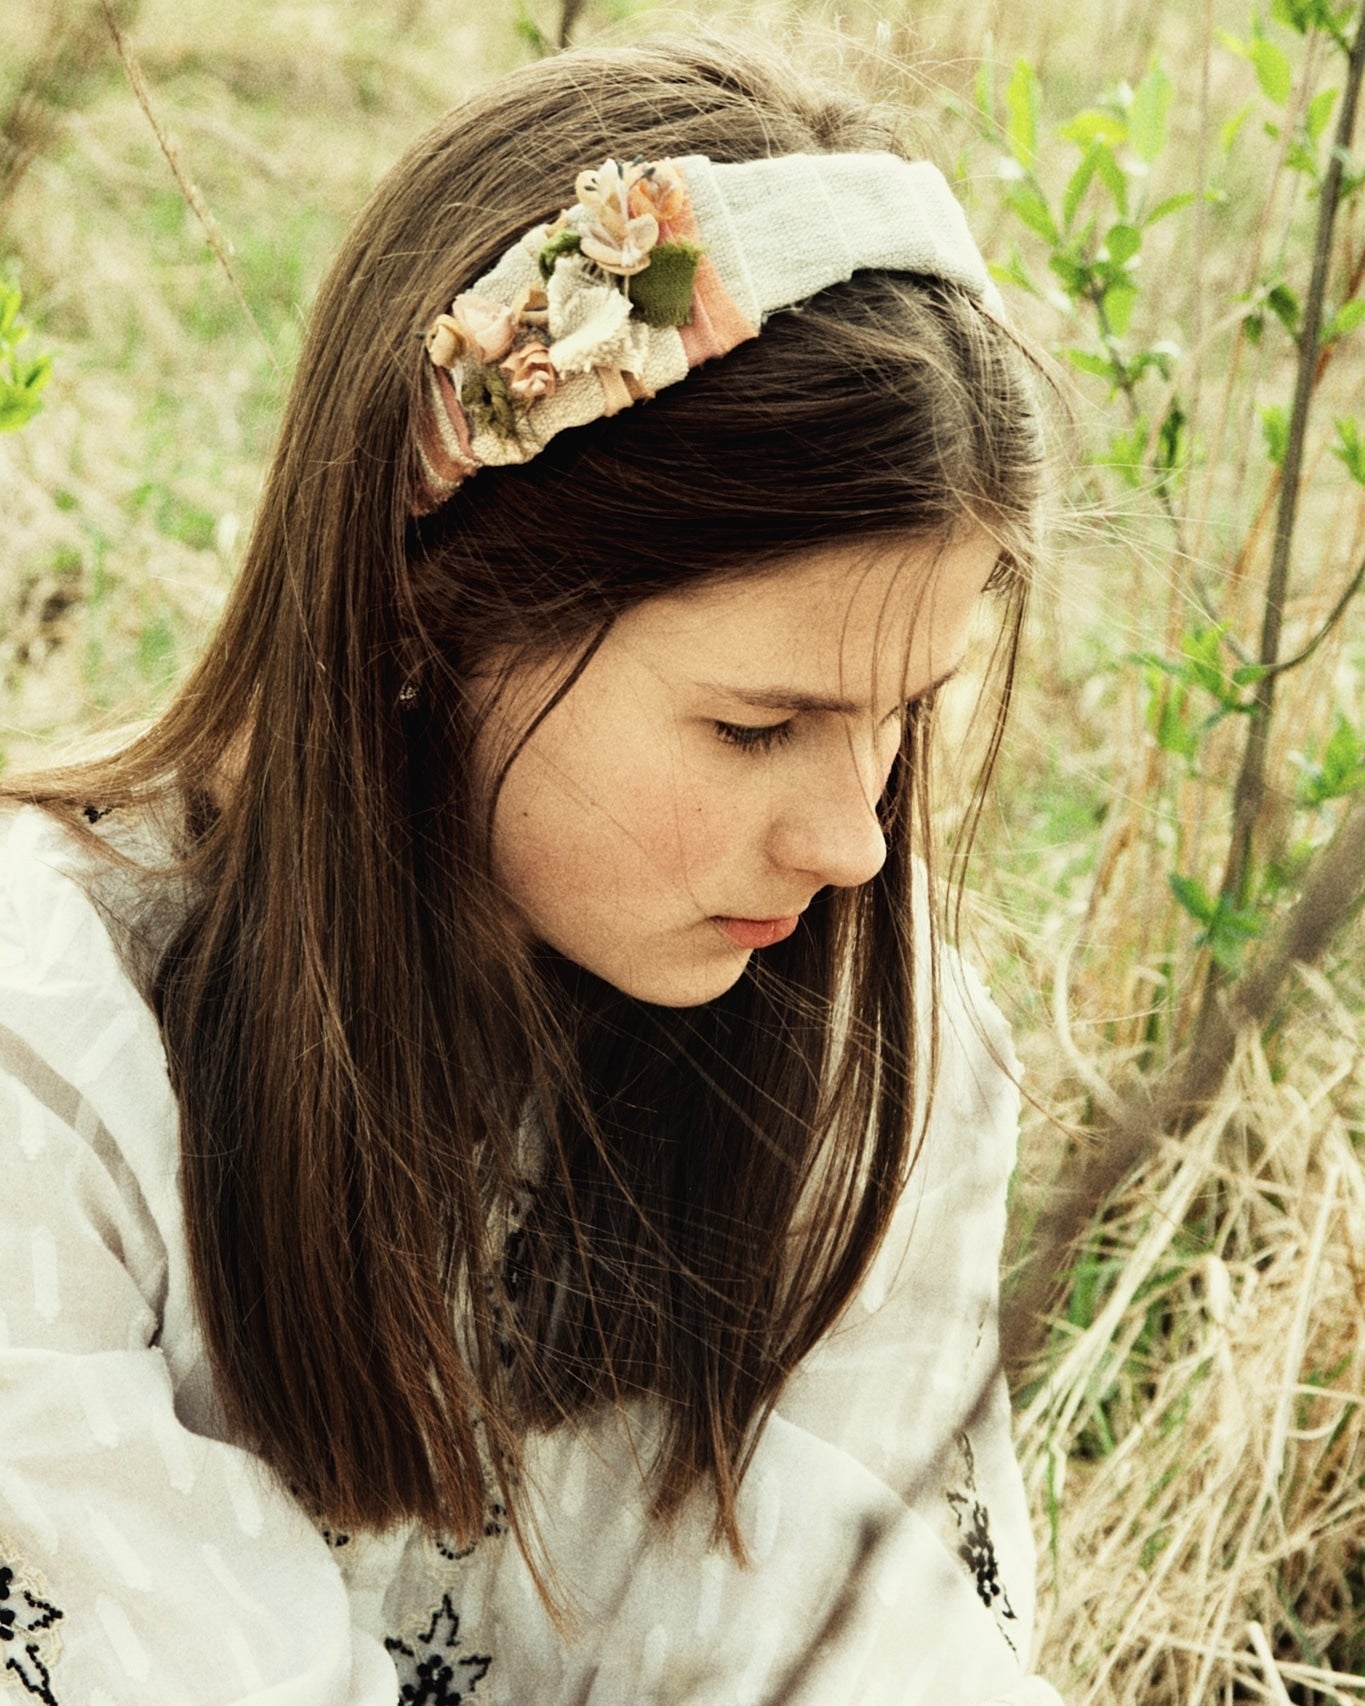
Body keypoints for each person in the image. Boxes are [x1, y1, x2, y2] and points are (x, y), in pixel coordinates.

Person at [0, 35, 1064, 1706]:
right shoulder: (52, 1052)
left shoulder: (876, 1041)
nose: (852, 840)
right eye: (754, 724)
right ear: (430, 615)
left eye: (905, 716)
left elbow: (873, 1658)